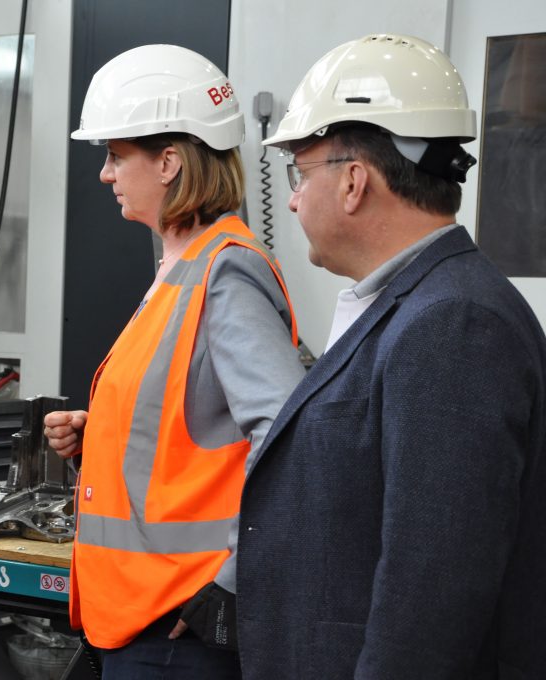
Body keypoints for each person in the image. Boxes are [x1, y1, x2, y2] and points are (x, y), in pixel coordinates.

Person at [236, 34, 546, 680]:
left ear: (354, 181)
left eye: (300, 172)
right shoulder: (410, 306)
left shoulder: (454, 325)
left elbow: (433, 593)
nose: (291, 199)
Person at [43, 44, 305, 679]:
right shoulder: (178, 268)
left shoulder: (225, 270)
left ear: (167, 162)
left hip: (180, 627)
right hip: (141, 618)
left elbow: (292, 437)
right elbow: (192, 418)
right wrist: (99, 432)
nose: (105, 174)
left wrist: (232, 585)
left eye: (114, 156)